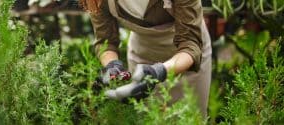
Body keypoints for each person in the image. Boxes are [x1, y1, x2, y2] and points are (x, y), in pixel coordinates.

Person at [81, 0, 212, 116]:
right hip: (142, 57)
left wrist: (158, 71)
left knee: (190, 117)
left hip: (186, 61)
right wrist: (112, 65)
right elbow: (105, 41)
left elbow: (190, 46)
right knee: (147, 117)